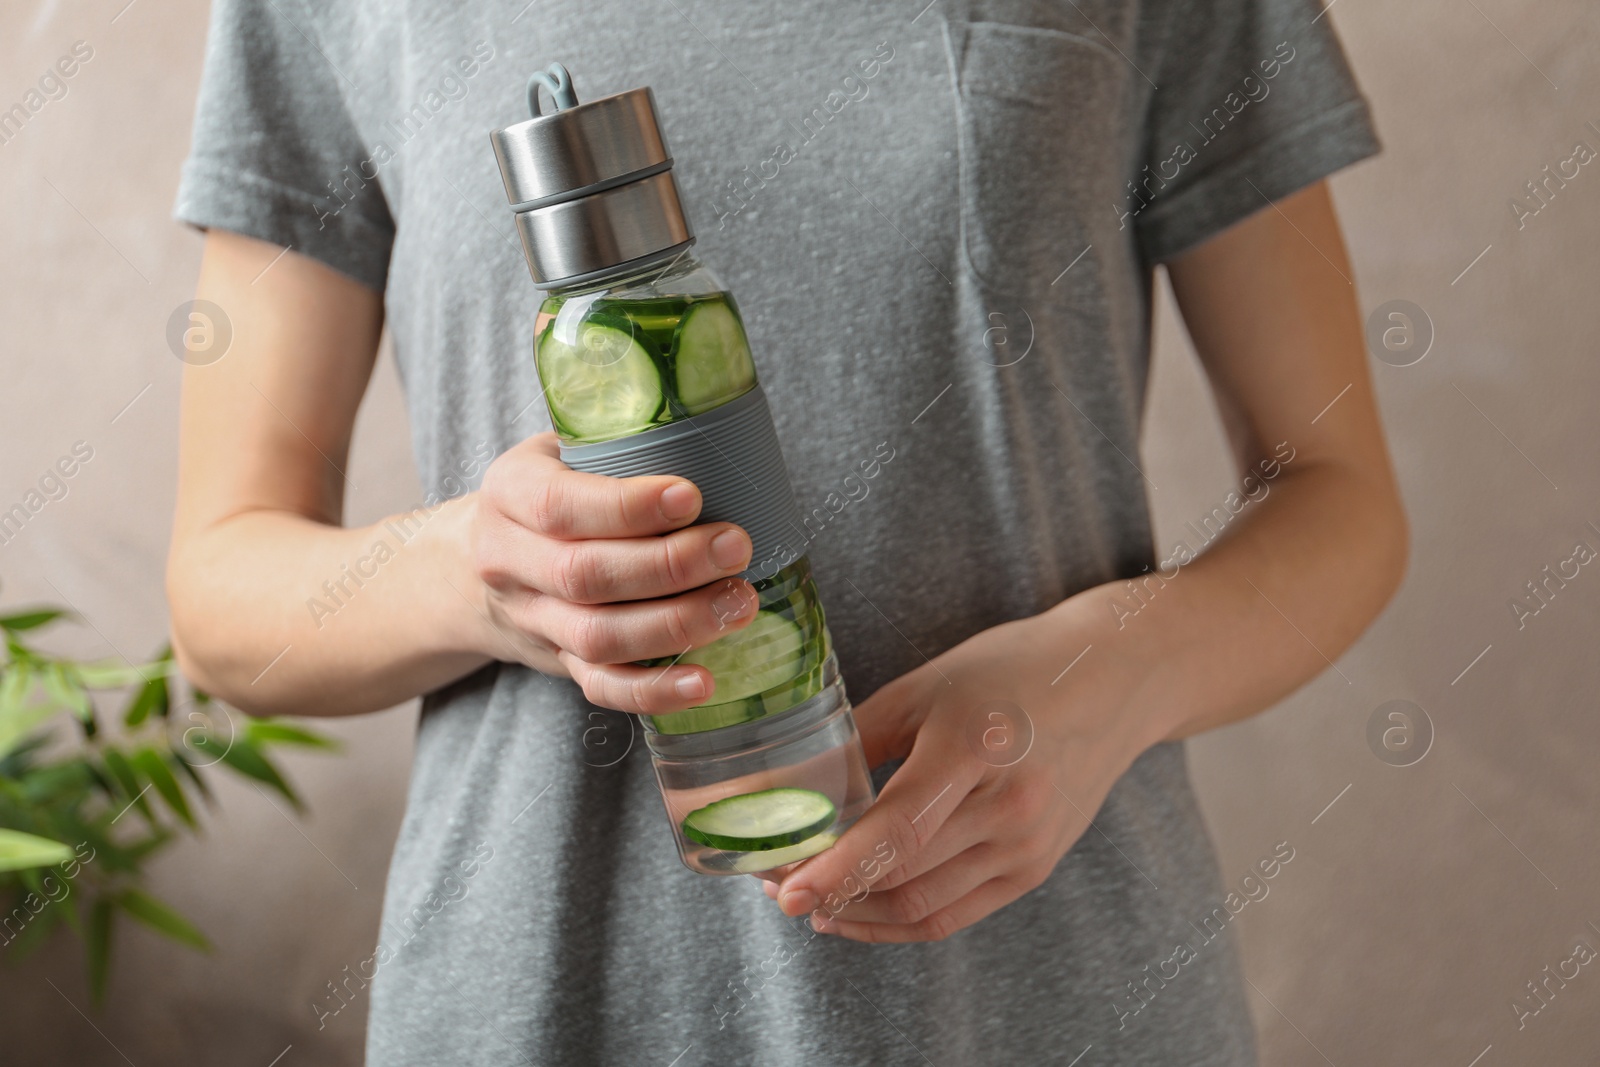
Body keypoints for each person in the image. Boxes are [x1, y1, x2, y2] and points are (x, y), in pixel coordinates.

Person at [167, 0, 1406, 1062]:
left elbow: (1338, 493)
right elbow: (225, 583)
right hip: (546, 995)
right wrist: (478, 578)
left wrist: (1115, 673)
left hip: (1043, 993)